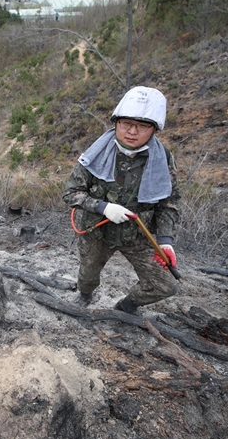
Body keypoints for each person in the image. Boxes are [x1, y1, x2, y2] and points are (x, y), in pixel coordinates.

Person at [62, 86, 180, 313]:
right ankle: (85, 295)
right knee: (86, 277)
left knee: (165, 285)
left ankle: (126, 308)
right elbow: (71, 193)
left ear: (154, 129)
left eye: (143, 125)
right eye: (126, 124)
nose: (132, 131)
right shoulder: (96, 152)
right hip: (96, 232)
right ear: (116, 123)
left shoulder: (162, 158)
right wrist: (102, 207)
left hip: (137, 234)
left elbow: (169, 202)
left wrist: (165, 240)